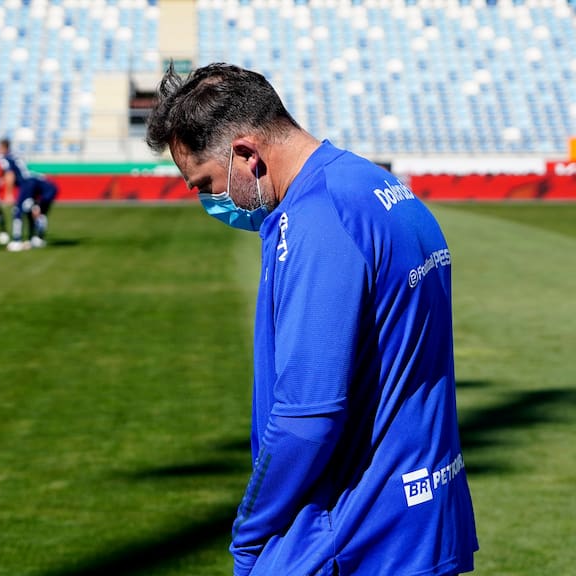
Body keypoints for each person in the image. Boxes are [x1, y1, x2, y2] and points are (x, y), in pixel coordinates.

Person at [145, 62, 478, 576]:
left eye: (205, 183)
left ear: (247, 154)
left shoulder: (317, 219)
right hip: (418, 517)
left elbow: (307, 417)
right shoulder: (372, 183)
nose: (210, 201)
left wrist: (250, 535)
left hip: (354, 536)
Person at [0, 138, 56, 251]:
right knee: (33, 210)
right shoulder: (15, 155)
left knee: (18, 211)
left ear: (3, 147)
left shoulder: (6, 158)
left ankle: (17, 241)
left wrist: (8, 194)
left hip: (27, 183)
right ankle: (36, 238)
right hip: (35, 182)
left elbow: (10, 174)